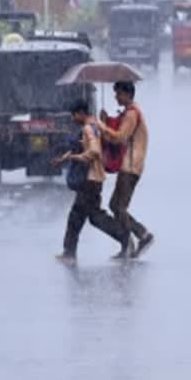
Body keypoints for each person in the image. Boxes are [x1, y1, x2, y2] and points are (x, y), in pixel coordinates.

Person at [52, 100, 131, 266]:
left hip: (90, 179)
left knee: (82, 216)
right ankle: (70, 251)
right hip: (94, 179)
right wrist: (68, 156)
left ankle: (124, 237)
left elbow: (94, 151)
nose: (73, 119)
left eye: (74, 115)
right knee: (87, 216)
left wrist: (74, 158)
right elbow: (88, 146)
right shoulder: (96, 125)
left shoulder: (88, 128)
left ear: (80, 113)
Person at [96, 81, 155, 259]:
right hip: (129, 165)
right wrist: (107, 120)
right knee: (116, 205)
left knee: (118, 206)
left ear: (128, 94)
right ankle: (129, 242)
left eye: (118, 94)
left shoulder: (131, 114)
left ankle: (141, 236)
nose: (116, 97)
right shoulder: (130, 112)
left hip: (131, 166)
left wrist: (101, 126)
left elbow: (120, 137)